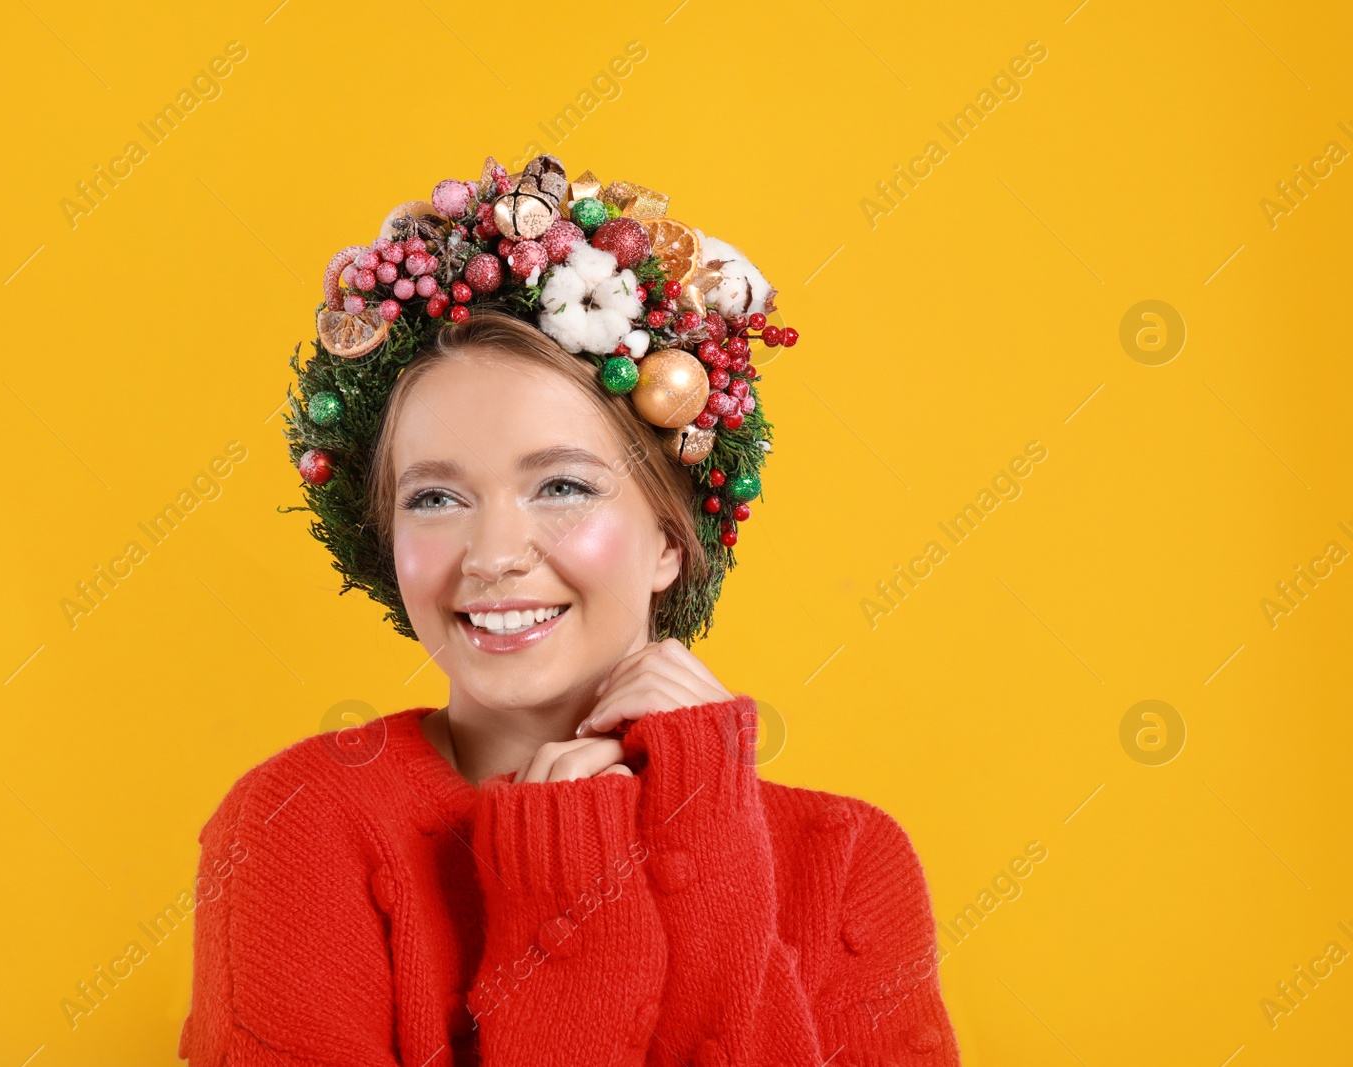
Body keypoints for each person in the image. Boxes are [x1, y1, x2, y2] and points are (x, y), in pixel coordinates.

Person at [178, 156, 959, 1067]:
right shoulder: (304, 823)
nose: (494, 553)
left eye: (560, 485)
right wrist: (568, 900)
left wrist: (706, 841)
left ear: (670, 538)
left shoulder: (848, 860)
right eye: (434, 498)